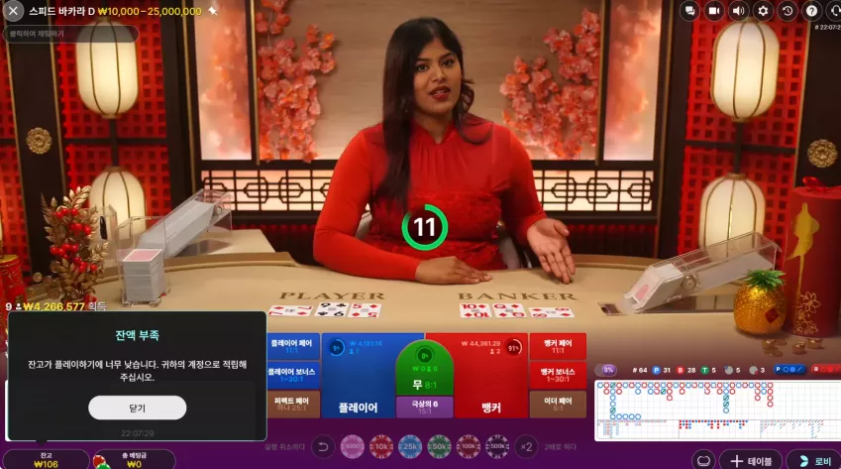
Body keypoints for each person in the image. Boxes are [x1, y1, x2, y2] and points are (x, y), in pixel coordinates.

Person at [314, 17, 575, 285]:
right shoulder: (369, 146)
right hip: (394, 289)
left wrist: (534, 227)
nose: (439, 75)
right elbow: (327, 241)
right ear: (401, 78)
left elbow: (524, 215)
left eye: (448, 62)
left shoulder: (502, 143)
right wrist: (418, 270)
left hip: (481, 288)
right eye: (421, 67)